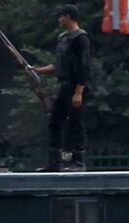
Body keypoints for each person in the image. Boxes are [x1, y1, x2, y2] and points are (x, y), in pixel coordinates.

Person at [33, 3, 93, 172]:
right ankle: (55, 162)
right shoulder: (64, 38)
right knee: (55, 122)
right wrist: (37, 70)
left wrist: (79, 92)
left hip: (77, 87)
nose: (59, 19)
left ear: (68, 17)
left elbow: (84, 67)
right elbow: (59, 65)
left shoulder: (81, 38)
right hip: (65, 86)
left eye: (61, 16)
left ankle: (78, 162)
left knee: (76, 123)